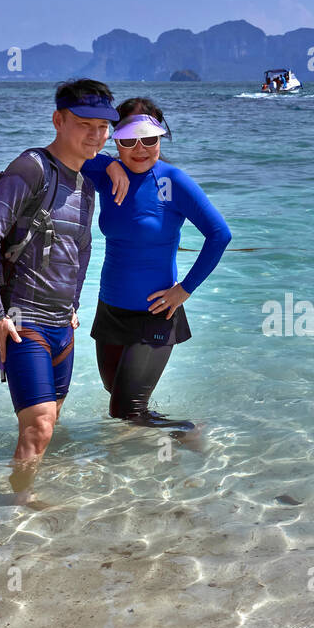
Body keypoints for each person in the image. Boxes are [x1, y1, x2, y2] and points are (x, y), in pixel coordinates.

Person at [0, 79, 126, 496]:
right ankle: (17, 508)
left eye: (103, 127)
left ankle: (24, 489)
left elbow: (82, 248)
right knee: (39, 424)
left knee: (48, 420)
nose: (96, 134)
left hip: (62, 325)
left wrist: (73, 305)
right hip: (23, 320)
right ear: (58, 120)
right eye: (85, 124)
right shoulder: (31, 167)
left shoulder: (86, 184)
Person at [80, 98, 231, 430]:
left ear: (160, 137)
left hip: (155, 314)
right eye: (129, 141)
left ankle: (189, 433)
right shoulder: (106, 176)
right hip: (110, 309)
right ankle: (171, 446)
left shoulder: (172, 180)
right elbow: (61, 155)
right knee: (119, 399)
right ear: (115, 139)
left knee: (127, 410)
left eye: (149, 139)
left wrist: (184, 290)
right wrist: (107, 164)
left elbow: (220, 234)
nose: (140, 149)